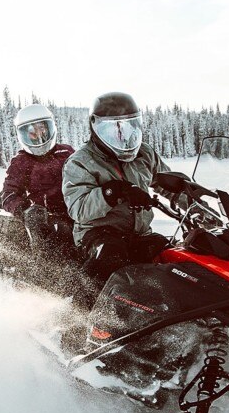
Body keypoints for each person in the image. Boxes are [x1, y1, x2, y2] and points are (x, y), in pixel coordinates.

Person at [62, 92, 182, 288]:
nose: (121, 134)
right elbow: (79, 209)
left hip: (139, 234)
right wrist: (112, 192)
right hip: (97, 234)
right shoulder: (80, 162)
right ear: (96, 128)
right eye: (112, 128)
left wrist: (195, 202)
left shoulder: (144, 154)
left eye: (127, 126)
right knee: (110, 256)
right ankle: (83, 304)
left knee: (171, 256)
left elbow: (170, 183)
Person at [0, 104, 75, 256]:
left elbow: (85, 173)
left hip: (74, 210)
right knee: (57, 234)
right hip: (44, 217)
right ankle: (44, 267)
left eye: (42, 128)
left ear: (50, 128)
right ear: (24, 135)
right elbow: (8, 193)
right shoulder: (21, 162)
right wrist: (25, 209)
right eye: (32, 132)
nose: (39, 135)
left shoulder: (66, 152)